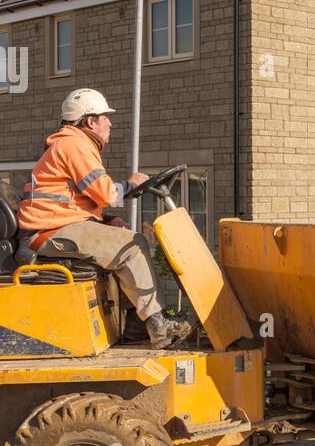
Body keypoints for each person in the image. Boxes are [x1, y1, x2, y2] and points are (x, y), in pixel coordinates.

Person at [17, 87, 192, 349]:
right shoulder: (74, 144)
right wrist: (132, 183)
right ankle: (158, 326)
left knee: (122, 240)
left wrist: (107, 220)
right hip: (49, 232)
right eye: (105, 117)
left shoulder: (70, 143)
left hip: (55, 226)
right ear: (90, 121)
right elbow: (107, 193)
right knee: (131, 246)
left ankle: (135, 325)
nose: (109, 123)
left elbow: (79, 200)